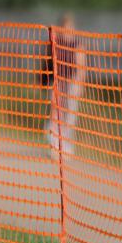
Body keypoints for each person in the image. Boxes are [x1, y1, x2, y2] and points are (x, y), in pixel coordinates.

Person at [46, 12, 86, 157]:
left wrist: (80, 85)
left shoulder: (77, 44)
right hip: (58, 81)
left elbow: (81, 67)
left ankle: (66, 145)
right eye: (64, 26)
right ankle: (54, 143)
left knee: (70, 115)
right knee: (56, 112)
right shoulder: (55, 43)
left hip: (72, 82)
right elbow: (48, 63)